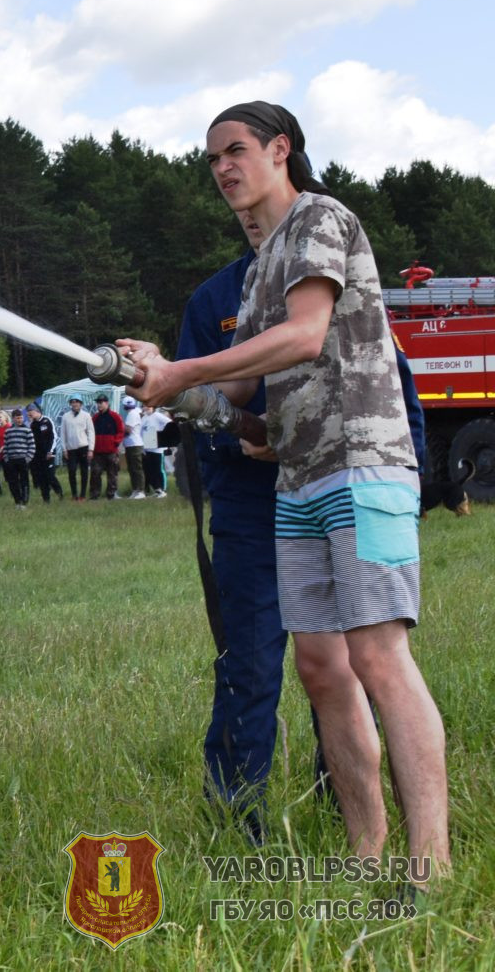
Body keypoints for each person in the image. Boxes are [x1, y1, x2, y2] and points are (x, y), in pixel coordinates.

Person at [121, 102, 447, 883]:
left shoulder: (321, 219)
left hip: (363, 465)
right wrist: (153, 374)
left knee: (378, 654)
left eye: (236, 150)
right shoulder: (260, 267)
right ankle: (368, 852)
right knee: (321, 669)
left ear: (281, 149)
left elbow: (304, 334)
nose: (223, 168)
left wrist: (182, 373)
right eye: (211, 160)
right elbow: (242, 397)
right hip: (297, 481)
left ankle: (428, 863)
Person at [89, 394, 124, 500]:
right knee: (95, 473)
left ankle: (111, 494)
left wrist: (115, 442)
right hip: (98, 452)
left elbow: (121, 431)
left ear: (107, 403)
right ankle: (94, 495)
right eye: (98, 403)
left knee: (112, 474)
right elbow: (90, 432)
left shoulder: (115, 416)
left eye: (101, 402)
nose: (99, 405)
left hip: (111, 451)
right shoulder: (95, 417)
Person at [26, 404, 63, 503]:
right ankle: (46, 498)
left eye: (31, 413)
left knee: (50, 475)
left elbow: (54, 437)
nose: (30, 416)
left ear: (37, 411)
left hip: (49, 453)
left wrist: (50, 451)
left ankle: (59, 493)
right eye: (28, 415)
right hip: (38, 455)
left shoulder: (46, 420)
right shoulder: (32, 424)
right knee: (41, 477)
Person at [58, 397, 92, 500]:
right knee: (72, 471)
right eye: (72, 402)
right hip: (71, 448)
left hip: (83, 446)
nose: (74, 404)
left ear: (81, 404)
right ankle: (74, 494)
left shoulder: (86, 416)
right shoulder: (65, 417)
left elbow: (91, 432)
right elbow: (62, 434)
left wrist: (91, 449)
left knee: (84, 471)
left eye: (77, 402)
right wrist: (64, 449)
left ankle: (82, 495)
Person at [1, 409, 34, 509]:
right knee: (13, 482)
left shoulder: (27, 430)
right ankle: (17, 501)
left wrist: (28, 458)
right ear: (13, 419)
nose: (20, 420)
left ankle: (24, 501)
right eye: (17, 418)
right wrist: (6, 458)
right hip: (11, 460)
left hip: (23, 459)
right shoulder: (8, 431)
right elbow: (5, 446)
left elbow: (32, 446)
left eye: (21, 418)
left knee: (24, 481)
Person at [121, 396, 147, 498]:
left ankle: (140, 490)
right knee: (132, 468)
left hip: (134, 444)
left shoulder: (132, 414)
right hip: (131, 444)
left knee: (136, 468)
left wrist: (119, 427)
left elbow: (128, 430)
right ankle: (136, 489)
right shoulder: (136, 411)